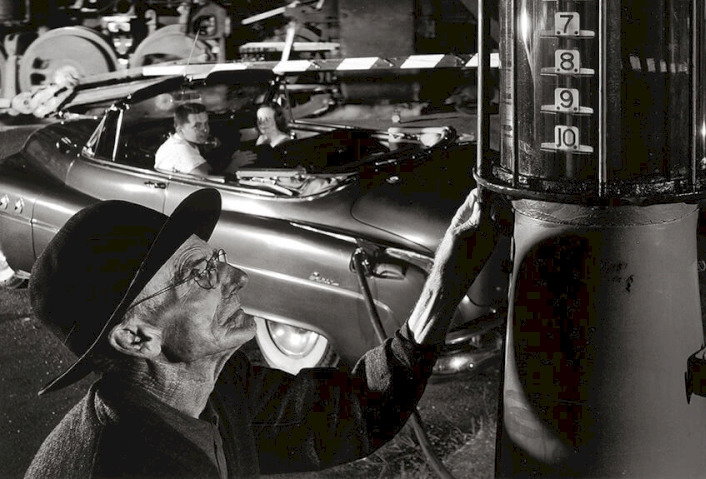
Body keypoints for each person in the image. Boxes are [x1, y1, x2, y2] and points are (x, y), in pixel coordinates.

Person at [24, 187, 503, 478]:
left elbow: (354, 415)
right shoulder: (121, 466)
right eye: (200, 274)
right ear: (136, 338)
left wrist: (445, 278)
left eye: (216, 259)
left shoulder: (213, 391)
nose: (237, 279)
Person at [155, 102, 256, 177]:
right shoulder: (182, 152)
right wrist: (235, 164)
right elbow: (213, 182)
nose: (205, 129)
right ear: (180, 129)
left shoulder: (179, 142)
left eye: (206, 123)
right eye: (197, 126)